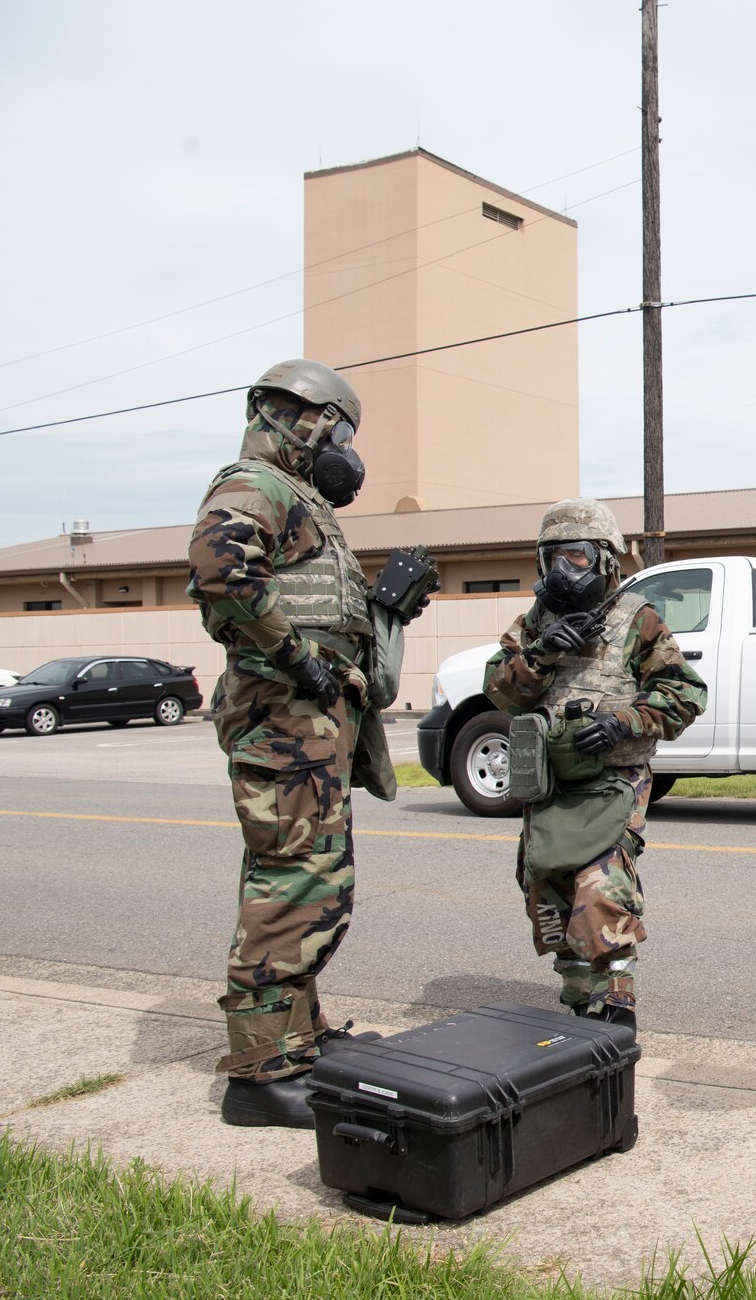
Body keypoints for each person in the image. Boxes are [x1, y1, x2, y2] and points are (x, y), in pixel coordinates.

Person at [190, 357, 427, 1128]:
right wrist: (298, 660)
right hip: (285, 722)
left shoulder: (302, 501)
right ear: (311, 420)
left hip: (311, 729)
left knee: (313, 881)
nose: (349, 451)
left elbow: (322, 613)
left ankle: (299, 1038)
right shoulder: (254, 483)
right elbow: (221, 572)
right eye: (345, 432)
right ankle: (259, 1072)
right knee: (291, 883)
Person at [482, 498, 706, 1025]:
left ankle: (616, 998)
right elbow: (499, 693)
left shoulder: (637, 621)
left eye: (576, 556)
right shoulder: (533, 624)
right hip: (551, 782)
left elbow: (683, 694)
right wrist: (536, 658)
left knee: (602, 887)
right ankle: (579, 995)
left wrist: (624, 722)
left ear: (605, 559)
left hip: (612, 779)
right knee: (549, 887)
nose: (563, 569)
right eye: (552, 557)